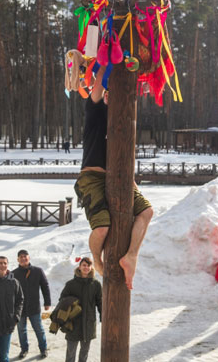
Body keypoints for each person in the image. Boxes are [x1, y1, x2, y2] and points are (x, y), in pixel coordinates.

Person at [73, 66, 153, 290]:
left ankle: (131, 256)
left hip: (119, 175)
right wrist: (108, 59)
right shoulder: (94, 108)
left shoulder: (122, 117)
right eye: (108, 93)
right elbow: (99, 82)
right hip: (92, 176)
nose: (110, 96)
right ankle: (97, 259)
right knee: (102, 228)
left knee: (146, 212)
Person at [60, 257, 102, 362]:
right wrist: (71, 302)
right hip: (73, 322)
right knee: (71, 352)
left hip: (88, 322)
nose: (86, 267)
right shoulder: (70, 284)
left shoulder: (96, 284)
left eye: (88, 265)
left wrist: (103, 316)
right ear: (79, 267)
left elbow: (100, 302)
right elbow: (62, 299)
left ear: (91, 268)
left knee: (84, 352)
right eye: (84, 265)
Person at [12, 250, 50, 359]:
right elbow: (10, 292)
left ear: (29, 257)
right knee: (21, 330)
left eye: (25, 256)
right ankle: (24, 350)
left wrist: (47, 302)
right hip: (20, 308)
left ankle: (43, 349)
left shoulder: (38, 271)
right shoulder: (14, 274)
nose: (23, 258)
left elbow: (45, 286)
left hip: (34, 306)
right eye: (21, 257)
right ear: (18, 259)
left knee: (39, 329)